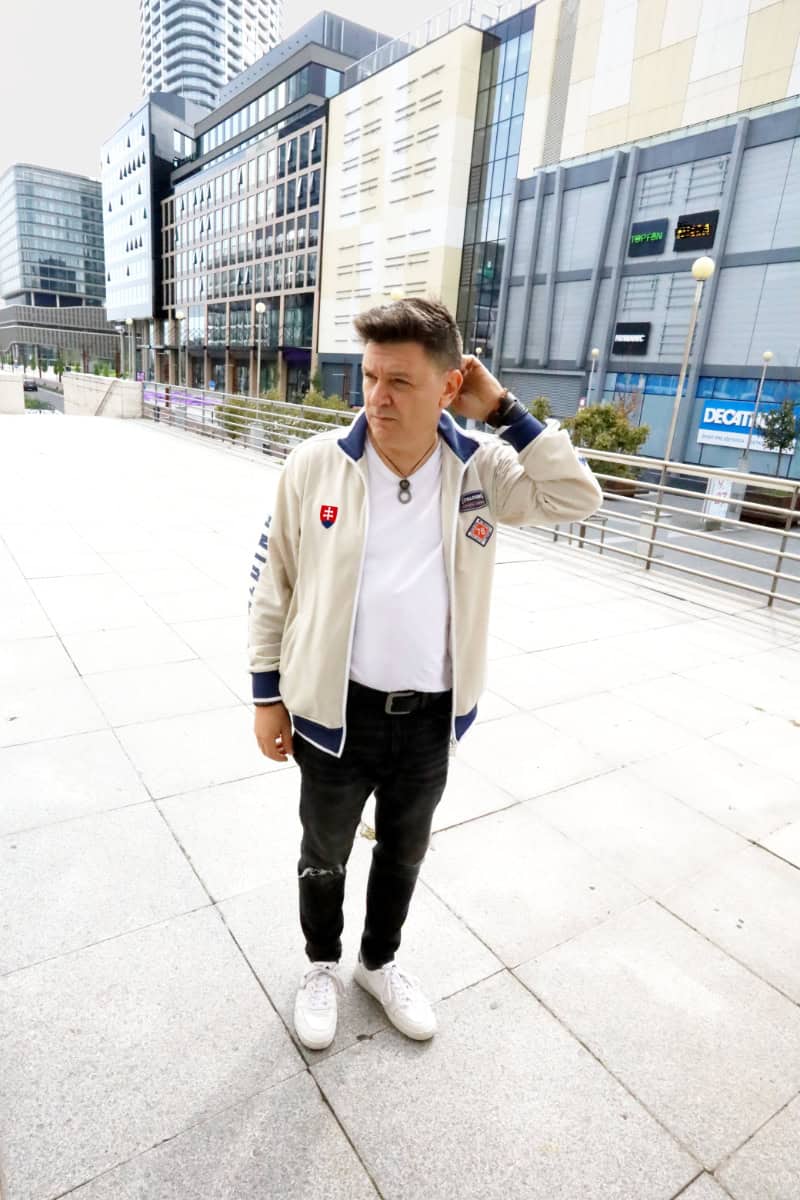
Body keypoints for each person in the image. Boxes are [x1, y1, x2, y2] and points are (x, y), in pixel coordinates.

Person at [248, 298, 603, 1051]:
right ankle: (321, 966)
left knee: (404, 852)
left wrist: (505, 412)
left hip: (431, 717)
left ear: (449, 386)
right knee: (324, 854)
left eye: (401, 381)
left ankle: (378, 964)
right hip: (334, 712)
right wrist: (266, 695)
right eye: (370, 376)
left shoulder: (482, 467)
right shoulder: (316, 464)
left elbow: (577, 497)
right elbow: (272, 582)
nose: (377, 397)